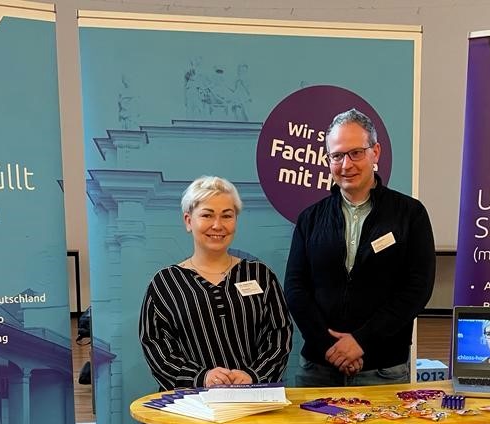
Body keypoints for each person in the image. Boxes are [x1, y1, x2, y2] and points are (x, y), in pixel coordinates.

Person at [284, 108, 435, 387]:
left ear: (375, 153)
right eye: (337, 156)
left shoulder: (409, 214)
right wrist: (331, 347)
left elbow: (417, 289)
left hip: (383, 370)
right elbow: (295, 288)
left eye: (355, 153)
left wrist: (361, 341)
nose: (346, 165)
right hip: (319, 368)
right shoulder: (310, 219)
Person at [139, 176, 292, 391]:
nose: (217, 225)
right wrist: (202, 377)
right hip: (191, 403)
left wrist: (253, 375)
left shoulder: (261, 275)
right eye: (207, 215)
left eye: (227, 216)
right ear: (188, 221)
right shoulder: (164, 283)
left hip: (253, 401)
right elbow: (155, 346)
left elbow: (279, 335)